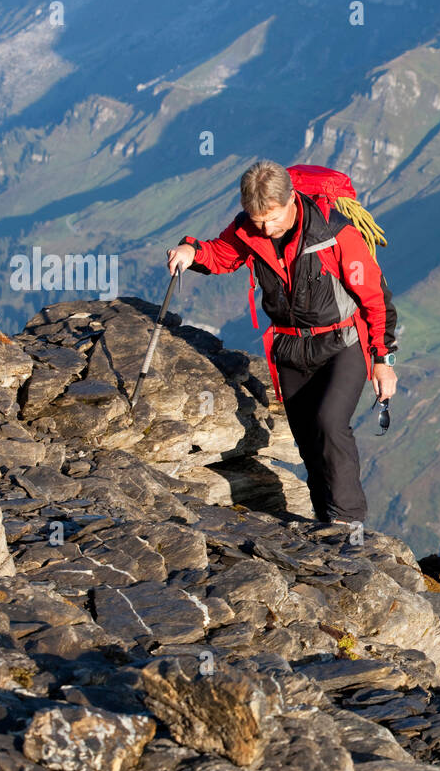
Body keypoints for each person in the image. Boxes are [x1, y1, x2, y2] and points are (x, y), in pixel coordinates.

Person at [166, 160, 398, 525]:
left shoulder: (336, 233)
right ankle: (326, 521)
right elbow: (223, 254)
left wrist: (383, 360)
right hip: (289, 350)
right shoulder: (249, 229)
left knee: (329, 423)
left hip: (342, 344)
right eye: (257, 220)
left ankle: (349, 526)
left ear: (292, 198)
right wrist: (191, 253)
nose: (267, 228)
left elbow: (375, 298)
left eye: (272, 217)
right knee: (307, 440)